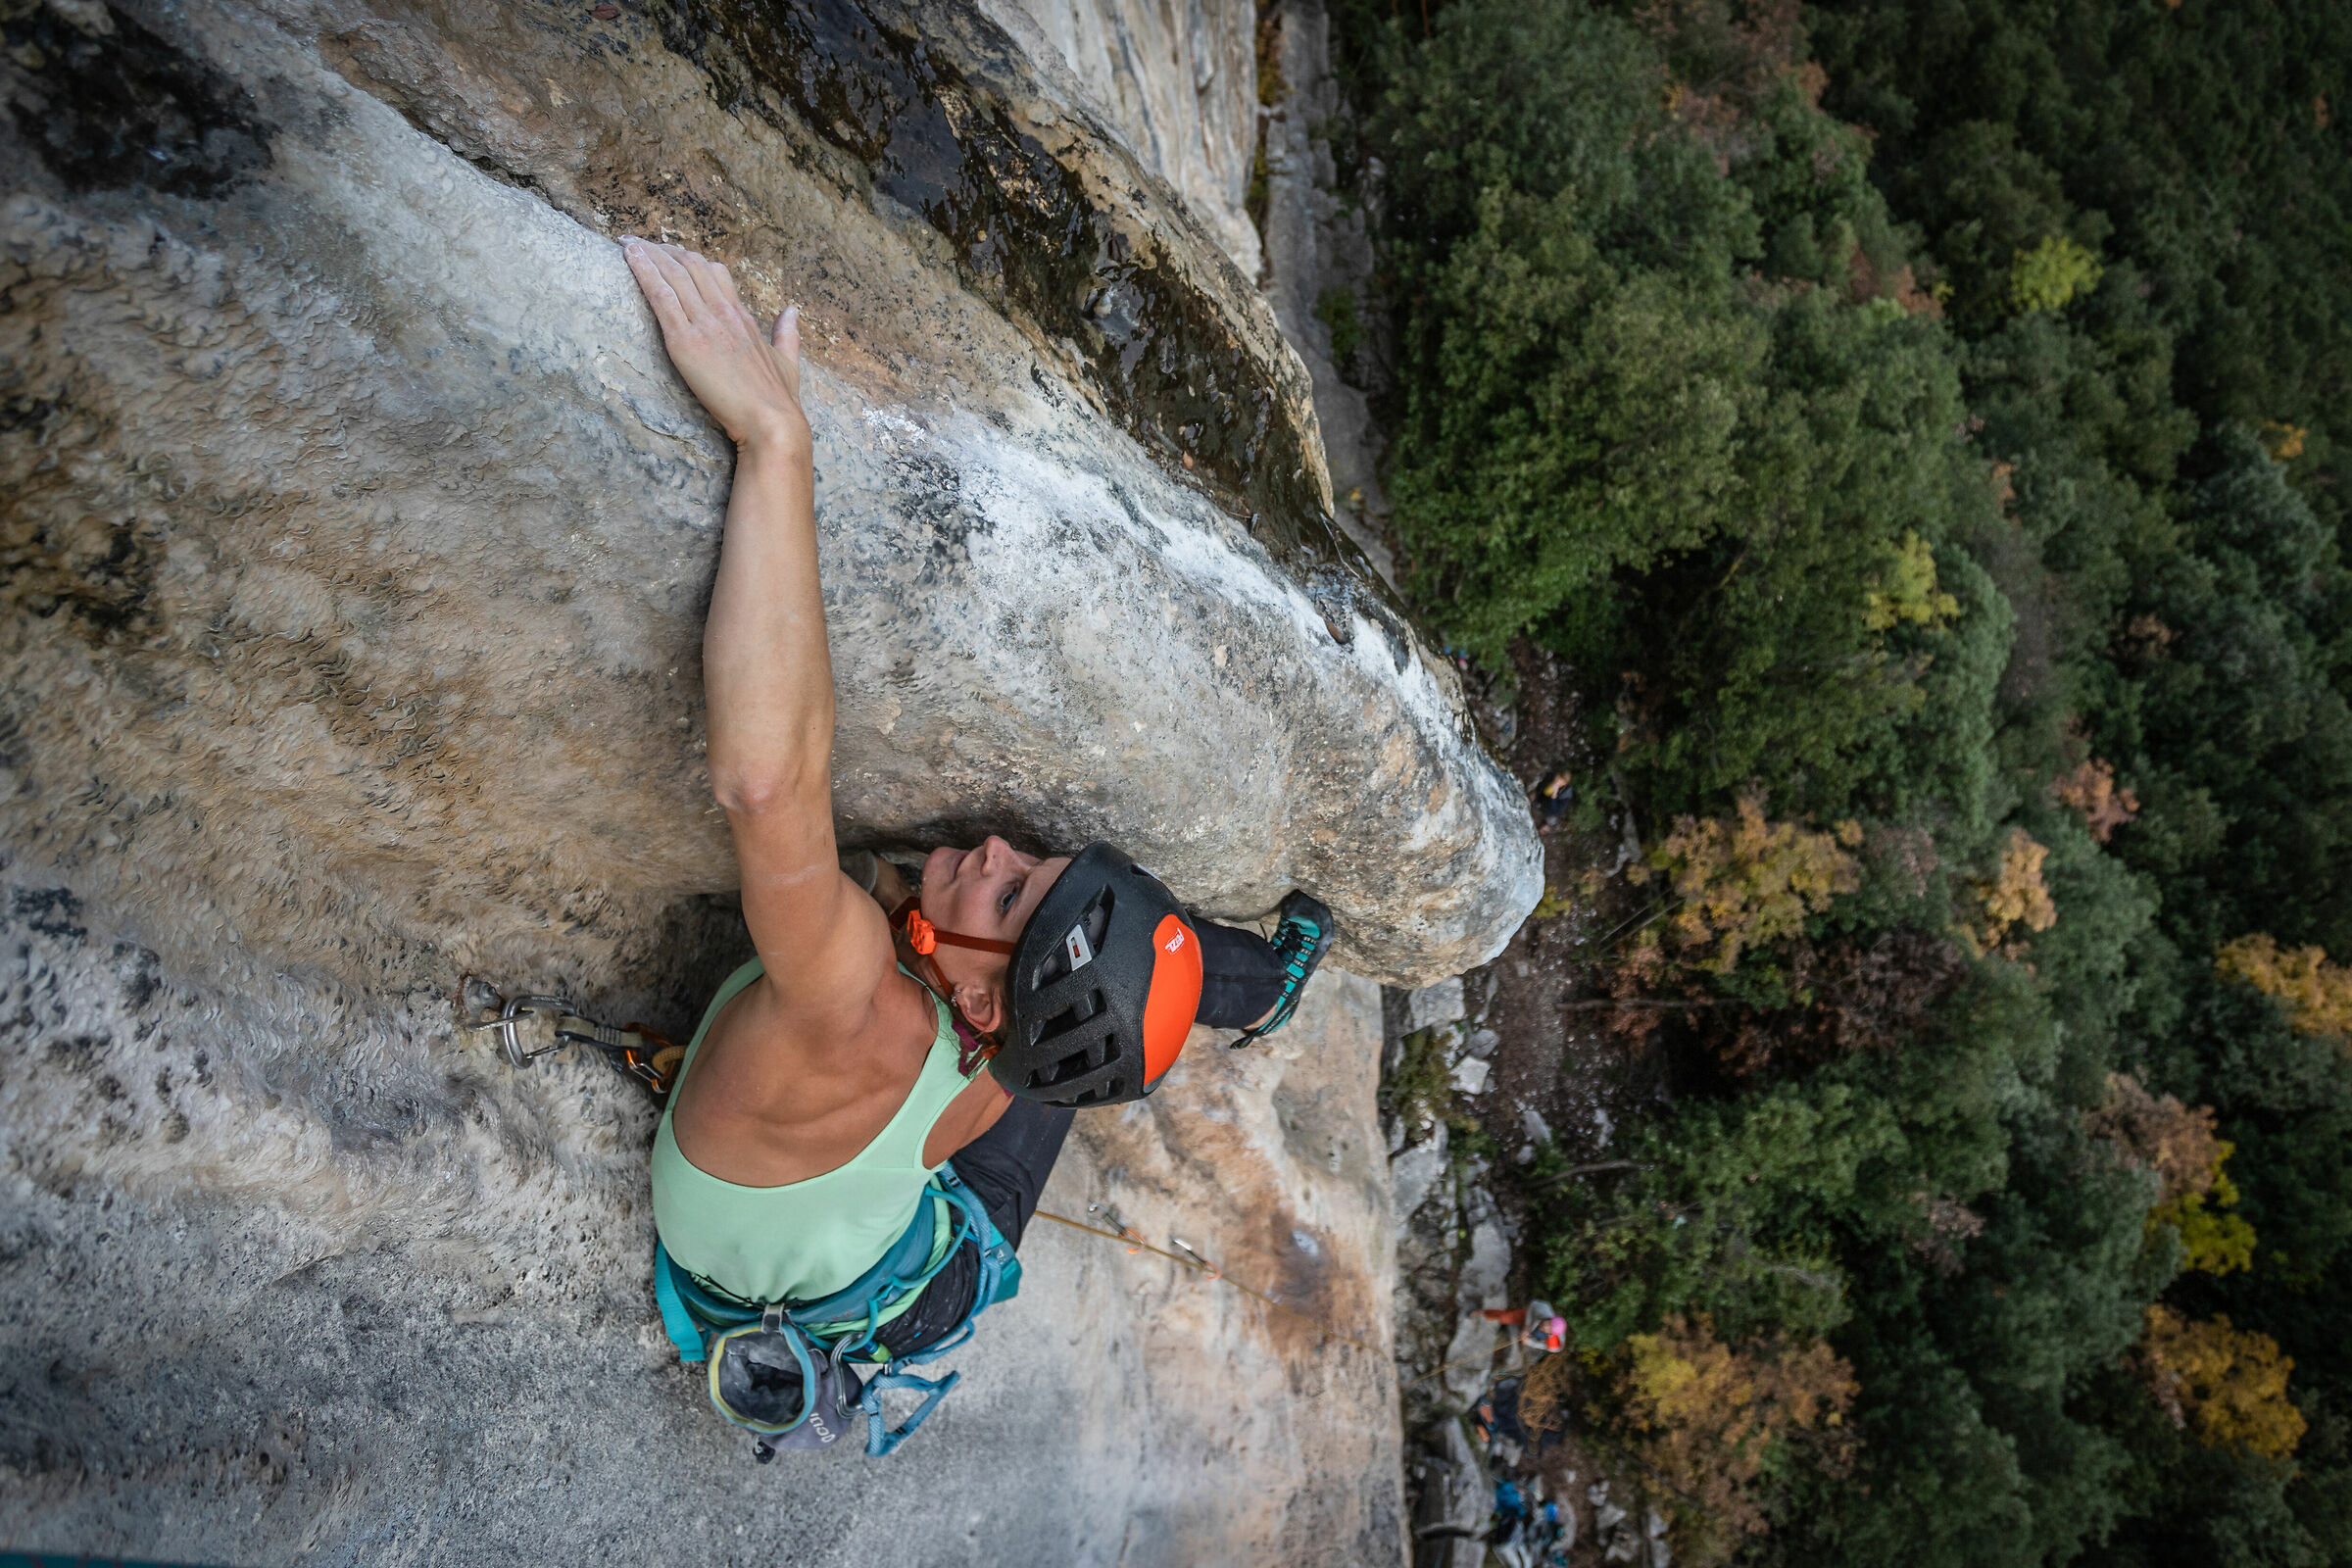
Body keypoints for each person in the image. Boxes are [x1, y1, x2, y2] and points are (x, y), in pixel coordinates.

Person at [616, 239, 1334, 1451]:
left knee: (1110, 997)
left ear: (983, 1007)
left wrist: (777, 446)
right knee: (1114, 991)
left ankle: (1257, 986)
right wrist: (983, 928)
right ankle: (1261, 988)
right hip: (870, 1225)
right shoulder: (1002, 1040)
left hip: (921, 1274)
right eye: (1024, 868)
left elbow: (769, 783)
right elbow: (1035, 994)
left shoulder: (853, 1001)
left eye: (1008, 894)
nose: (994, 848)